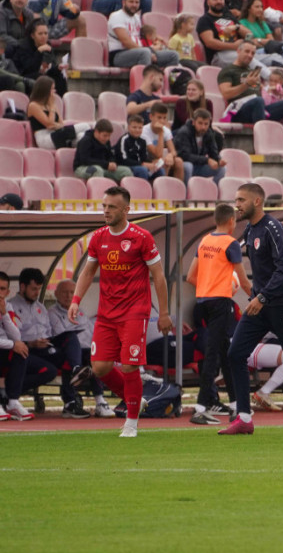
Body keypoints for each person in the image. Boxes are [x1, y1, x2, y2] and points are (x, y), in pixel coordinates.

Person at [68, 187, 173, 437]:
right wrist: (75, 300)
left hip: (135, 312)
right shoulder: (98, 237)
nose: (106, 210)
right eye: (104, 206)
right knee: (100, 368)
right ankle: (135, 399)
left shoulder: (142, 237)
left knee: (128, 366)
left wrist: (165, 313)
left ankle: (132, 422)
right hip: (106, 314)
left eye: (111, 207)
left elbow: (158, 276)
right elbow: (87, 271)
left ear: (126, 209)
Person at [219, 184, 283, 435]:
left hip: (281, 305)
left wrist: (261, 297)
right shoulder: (250, 229)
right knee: (235, 353)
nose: (237, 204)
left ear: (257, 201)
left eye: (241, 199)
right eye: (236, 199)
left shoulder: (274, 228)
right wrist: (257, 295)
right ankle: (244, 418)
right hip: (261, 305)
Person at [186, 204, 252, 425]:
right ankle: (201, 407)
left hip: (203, 301)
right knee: (214, 354)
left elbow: (190, 277)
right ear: (232, 221)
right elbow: (242, 281)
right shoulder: (230, 243)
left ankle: (235, 406)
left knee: (225, 352)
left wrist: (208, 286)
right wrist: (260, 298)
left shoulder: (205, 240)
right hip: (221, 302)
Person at [7, 268, 88, 419]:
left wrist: (47, 341)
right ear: (22, 287)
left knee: (70, 339)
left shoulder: (40, 307)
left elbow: (49, 332)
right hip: (26, 349)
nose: (37, 292)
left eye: (39, 289)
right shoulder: (11, 306)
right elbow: (11, 336)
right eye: (33, 289)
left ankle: (72, 395)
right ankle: (7, 393)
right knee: (49, 371)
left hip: (46, 347)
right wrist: (31, 343)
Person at [48, 279, 114, 418]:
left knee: (95, 357)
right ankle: (70, 403)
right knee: (71, 355)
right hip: (62, 350)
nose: (68, 296)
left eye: (72, 292)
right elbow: (60, 333)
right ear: (56, 294)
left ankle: (100, 402)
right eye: (64, 292)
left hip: (85, 351)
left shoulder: (80, 312)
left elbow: (91, 334)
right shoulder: (52, 312)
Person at [217, 41, 283, 124]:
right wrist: (246, 84)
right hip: (239, 112)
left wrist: (277, 94)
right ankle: (262, 133)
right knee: (258, 101)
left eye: (252, 53)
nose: (250, 55)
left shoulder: (253, 71)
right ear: (238, 51)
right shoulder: (228, 70)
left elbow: (262, 90)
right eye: (247, 51)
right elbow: (226, 94)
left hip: (260, 108)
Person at [0, 271, 41, 422]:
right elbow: (13, 342)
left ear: (8, 292)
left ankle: (12, 402)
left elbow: (17, 336)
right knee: (17, 347)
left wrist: (4, 315)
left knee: (21, 350)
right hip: (4, 346)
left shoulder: (8, 306)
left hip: (4, 348)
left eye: (3, 289)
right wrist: (13, 344)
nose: (0, 293)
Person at [238, 0, 283, 79]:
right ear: (249, 9)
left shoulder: (262, 23)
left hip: (265, 49)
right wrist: (262, 41)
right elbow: (251, 42)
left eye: (261, 7)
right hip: (255, 52)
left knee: (281, 48)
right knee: (280, 49)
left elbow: (271, 40)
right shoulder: (242, 23)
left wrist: (259, 40)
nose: (260, 9)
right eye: (257, 7)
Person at [107, 0, 178, 69]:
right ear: (124, 2)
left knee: (173, 55)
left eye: (137, 2)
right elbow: (126, 41)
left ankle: (170, 80)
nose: (134, 5)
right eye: (131, 2)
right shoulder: (116, 16)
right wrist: (149, 52)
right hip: (119, 55)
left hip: (139, 52)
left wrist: (157, 40)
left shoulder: (136, 18)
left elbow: (144, 35)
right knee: (145, 53)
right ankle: (146, 80)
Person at [27, 75, 90, 150]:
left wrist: (55, 125)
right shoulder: (33, 105)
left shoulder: (51, 105)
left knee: (82, 136)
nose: (55, 91)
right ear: (45, 90)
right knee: (85, 126)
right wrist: (52, 107)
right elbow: (49, 124)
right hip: (45, 139)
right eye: (52, 89)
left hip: (57, 134)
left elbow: (61, 124)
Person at [9, 18, 67, 95]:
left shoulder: (48, 46)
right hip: (24, 77)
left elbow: (49, 67)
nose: (43, 36)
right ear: (32, 35)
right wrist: (39, 52)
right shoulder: (23, 47)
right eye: (40, 34)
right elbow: (30, 69)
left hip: (41, 75)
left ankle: (59, 102)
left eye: (46, 33)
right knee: (40, 77)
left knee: (60, 76)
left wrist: (58, 68)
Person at [174, 109, 227, 186]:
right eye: (200, 123)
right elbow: (184, 155)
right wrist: (207, 160)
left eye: (206, 124)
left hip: (199, 165)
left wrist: (219, 160)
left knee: (221, 169)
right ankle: (185, 193)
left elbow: (213, 152)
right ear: (193, 122)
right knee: (188, 166)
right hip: (183, 164)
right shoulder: (184, 132)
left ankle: (215, 193)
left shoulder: (209, 133)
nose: (203, 127)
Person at [143, 102, 185, 181]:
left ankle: (179, 190)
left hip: (160, 159)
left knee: (178, 161)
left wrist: (170, 155)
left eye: (164, 118)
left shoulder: (166, 130)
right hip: (148, 160)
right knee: (162, 162)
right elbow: (157, 154)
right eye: (159, 118)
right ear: (151, 117)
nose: (162, 121)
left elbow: (173, 151)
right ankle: (162, 188)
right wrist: (161, 133)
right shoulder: (144, 131)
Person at [116, 114, 162, 181]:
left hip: (140, 165)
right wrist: (142, 164)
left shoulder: (142, 141)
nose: (137, 130)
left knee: (159, 170)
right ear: (128, 127)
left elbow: (144, 158)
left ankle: (157, 190)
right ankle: (143, 190)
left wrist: (152, 163)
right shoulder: (124, 140)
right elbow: (123, 160)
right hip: (127, 166)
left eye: (140, 128)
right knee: (142, 170)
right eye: (134, 127)